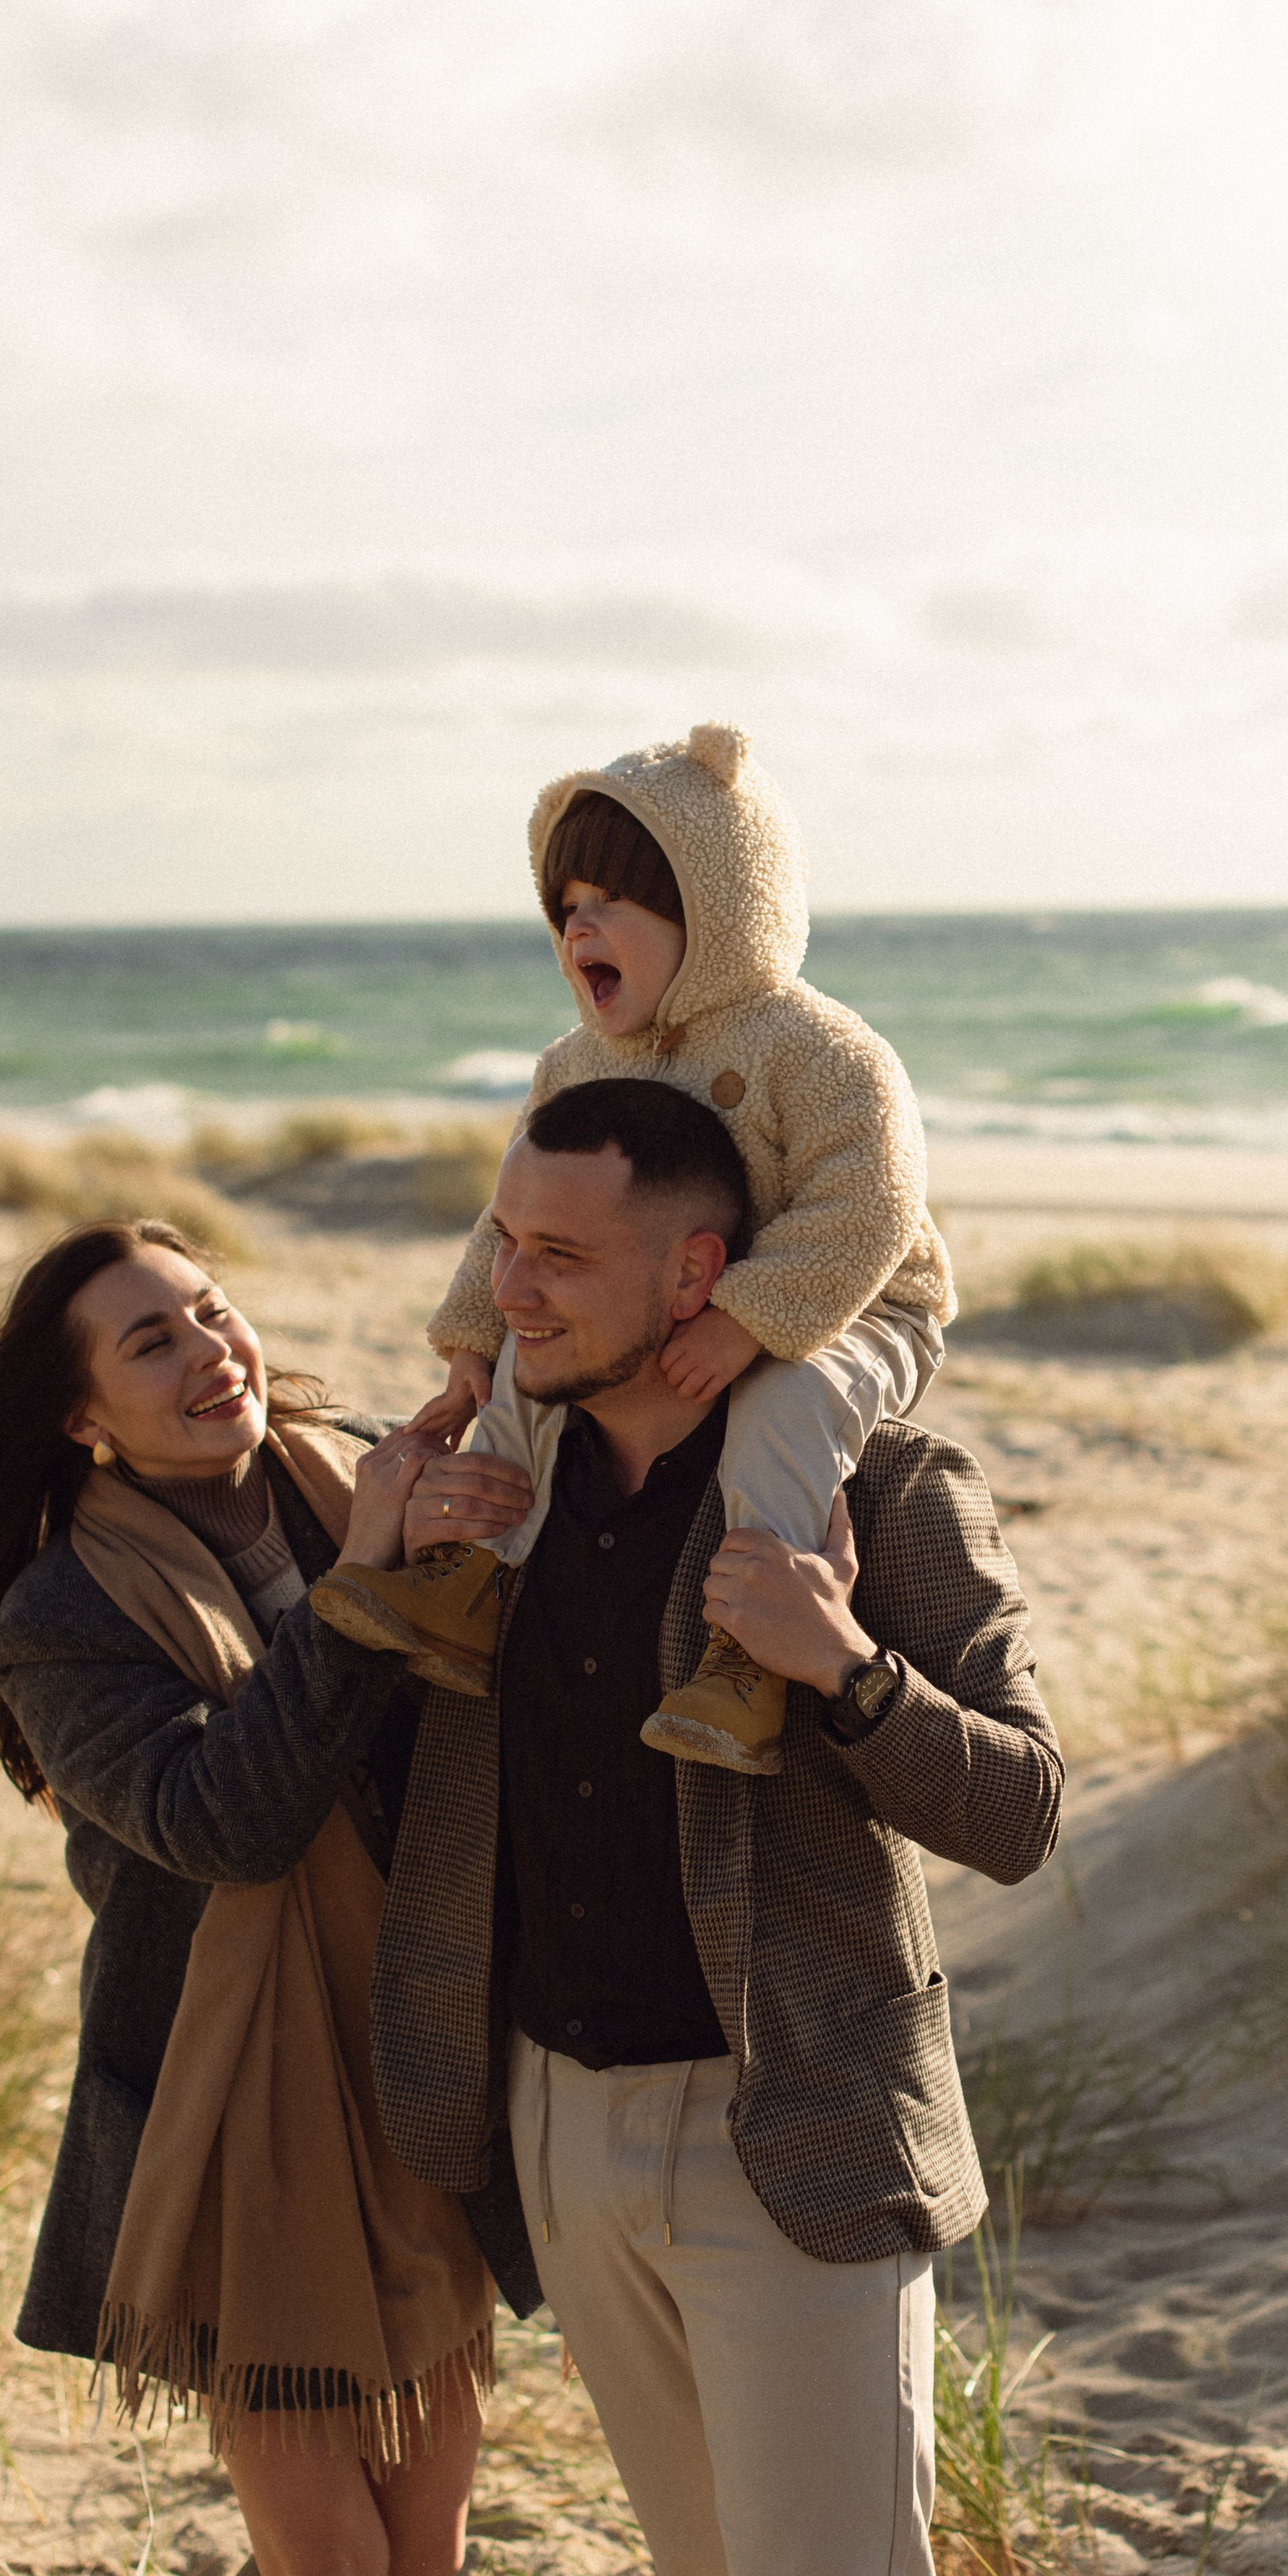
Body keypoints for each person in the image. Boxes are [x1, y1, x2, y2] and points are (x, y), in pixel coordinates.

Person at [338, 1080, 1064, 2576]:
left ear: (696, 1275)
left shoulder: (880, 1485)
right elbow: (385, 1760)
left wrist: (845, 1668)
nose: (509, 1286)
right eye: (503, 1240)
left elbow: (1018, 1806)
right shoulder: (505, 1484)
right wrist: (381, 1559)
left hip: (788, 2143)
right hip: (555, 2128)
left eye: (557, 1254)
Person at [0, 1216, 534, 2576]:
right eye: (150, 1343)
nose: (209, 1352)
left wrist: (466, 1521)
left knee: (423, 2537)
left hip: (412, 2047)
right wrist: (369, 1588)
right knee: (327, 2547)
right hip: (223, 2087)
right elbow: (227, 1822)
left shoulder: (357, 1483)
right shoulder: (58, 1614)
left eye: (209, 1308)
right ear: (85, 1420)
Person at [310, 720, 955, 1780]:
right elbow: (518, 1213)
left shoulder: (820, 1049)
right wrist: (474, 1331)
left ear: (721, 905)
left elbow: (870, 1207)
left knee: (785, 1406)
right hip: (655, 1299)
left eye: (615, 900)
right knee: (531, 1363)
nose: (581, 927)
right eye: (566, 906)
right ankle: (471, 1582)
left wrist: (748, 1320)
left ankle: (745, 1659)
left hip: (852, 1302)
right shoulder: (577, 1063)